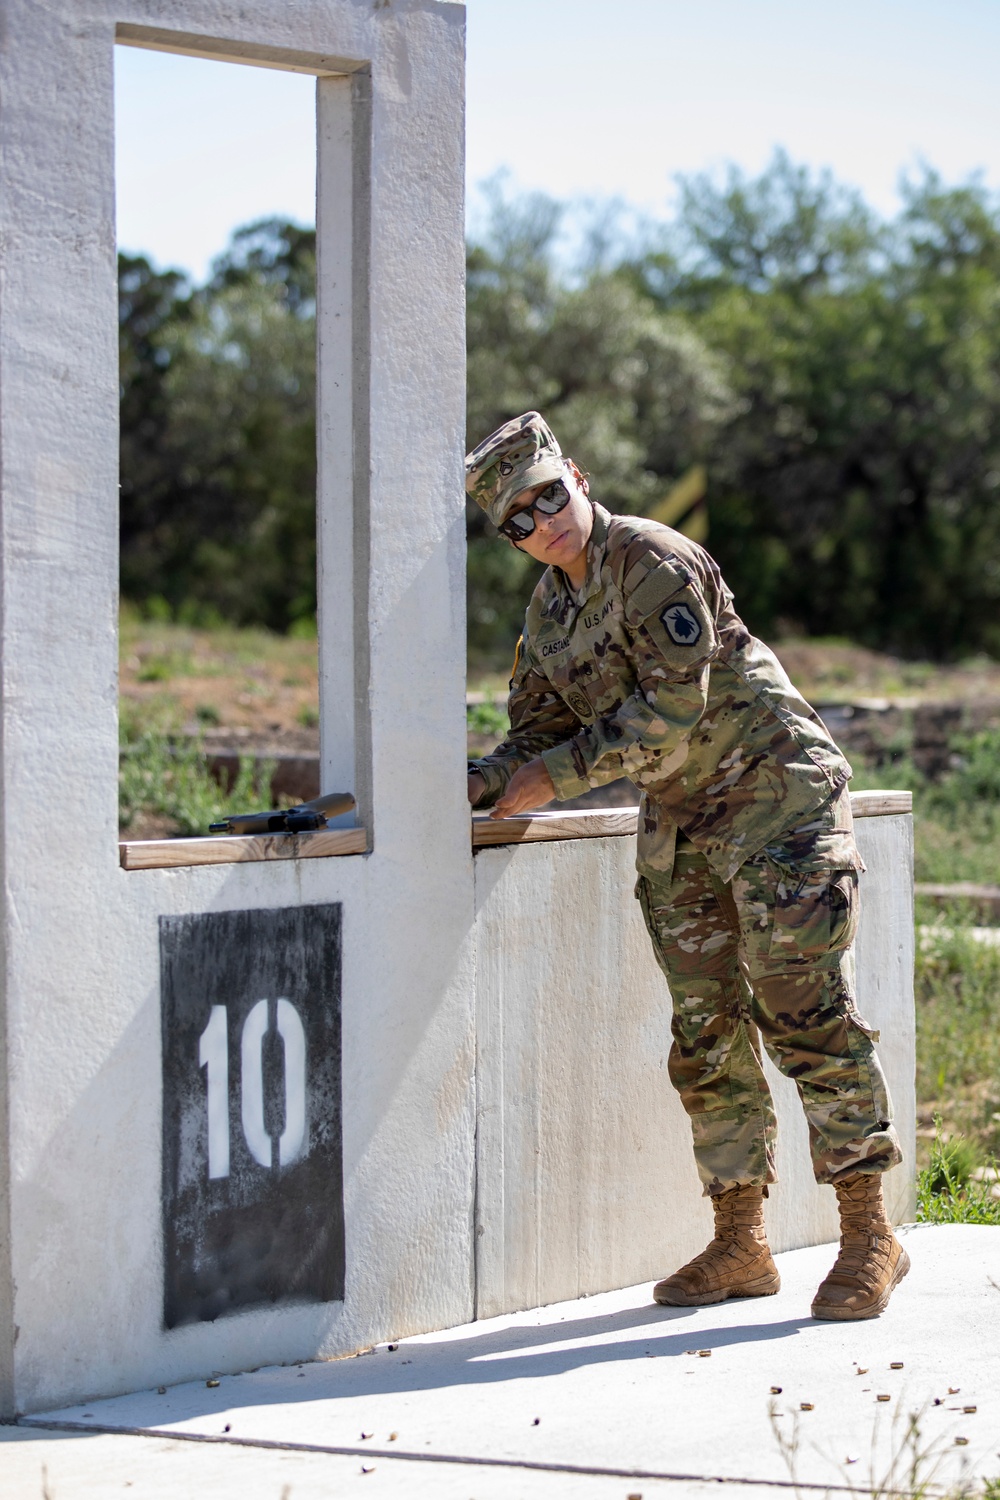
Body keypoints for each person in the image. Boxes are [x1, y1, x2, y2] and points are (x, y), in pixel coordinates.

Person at [465, 411, 908, 1322]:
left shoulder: (654, 560)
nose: (543, 520)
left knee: (803, 1010)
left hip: (775, 797)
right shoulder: (548, 617)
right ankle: (740, 1242)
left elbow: (672, 707)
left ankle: (869, 1233)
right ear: (509, 538)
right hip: (683, 821)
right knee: (704, 1034)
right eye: (519, 518)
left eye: (549, 494)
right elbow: (538, 732)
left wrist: (551, 776)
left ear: (577, 478)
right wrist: (482, 779)